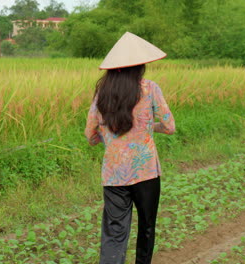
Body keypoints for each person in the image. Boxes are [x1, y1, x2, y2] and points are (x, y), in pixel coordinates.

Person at [85, 32, 176, 264]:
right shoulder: (150, 89)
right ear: (140, 66)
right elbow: (169, 126)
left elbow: (90, 134)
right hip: (146, 171)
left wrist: (104, 138)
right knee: (146, 226)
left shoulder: (102, 93)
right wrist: (146, 127)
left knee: (114, 232)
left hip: (114, 174)